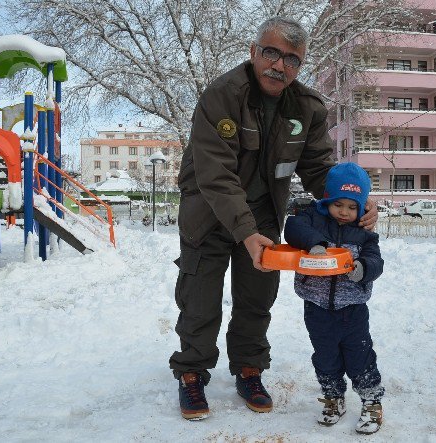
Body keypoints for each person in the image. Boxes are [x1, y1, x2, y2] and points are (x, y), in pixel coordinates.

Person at [170, 17, 378, 421]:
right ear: (253, 51)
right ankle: (192, 371)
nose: (279, 65)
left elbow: (319, 168)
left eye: (291, 59)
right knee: (200, 298)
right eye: (271, 52)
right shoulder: (222, 96)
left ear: (299, 66)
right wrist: (245, 232)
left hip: (264, 214)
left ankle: (249, 368)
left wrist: (355, 200)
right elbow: (216, 176)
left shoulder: (306, 108)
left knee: (257, 295)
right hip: (208, 212)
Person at [284, 162, 385, 435]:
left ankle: (371, 400)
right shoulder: (311, 219)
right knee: (325, 357)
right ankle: (333, 397)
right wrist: (316, 243)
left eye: (352, 207)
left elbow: (376, 261)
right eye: (338, 204)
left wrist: (363, 269)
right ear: (327, 199)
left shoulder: (364, 233)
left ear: (361, 207)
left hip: (353, 309)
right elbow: (292, 229)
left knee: (360, 356)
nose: (344, 212)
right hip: (316, 307)